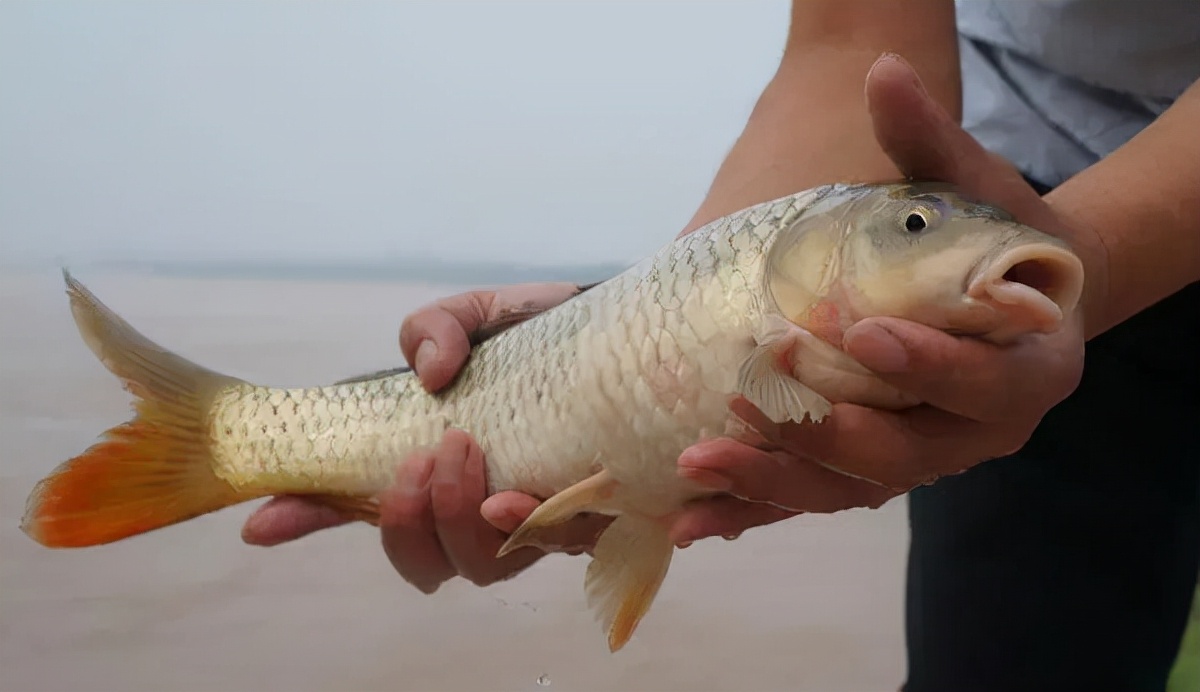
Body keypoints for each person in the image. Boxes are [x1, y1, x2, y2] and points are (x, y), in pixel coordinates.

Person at [241, 2, 1200, 690]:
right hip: (1009, 193)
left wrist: (1105, 254)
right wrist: (622, 320)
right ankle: (232, 441)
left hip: (1028, 230)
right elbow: (855, 37)